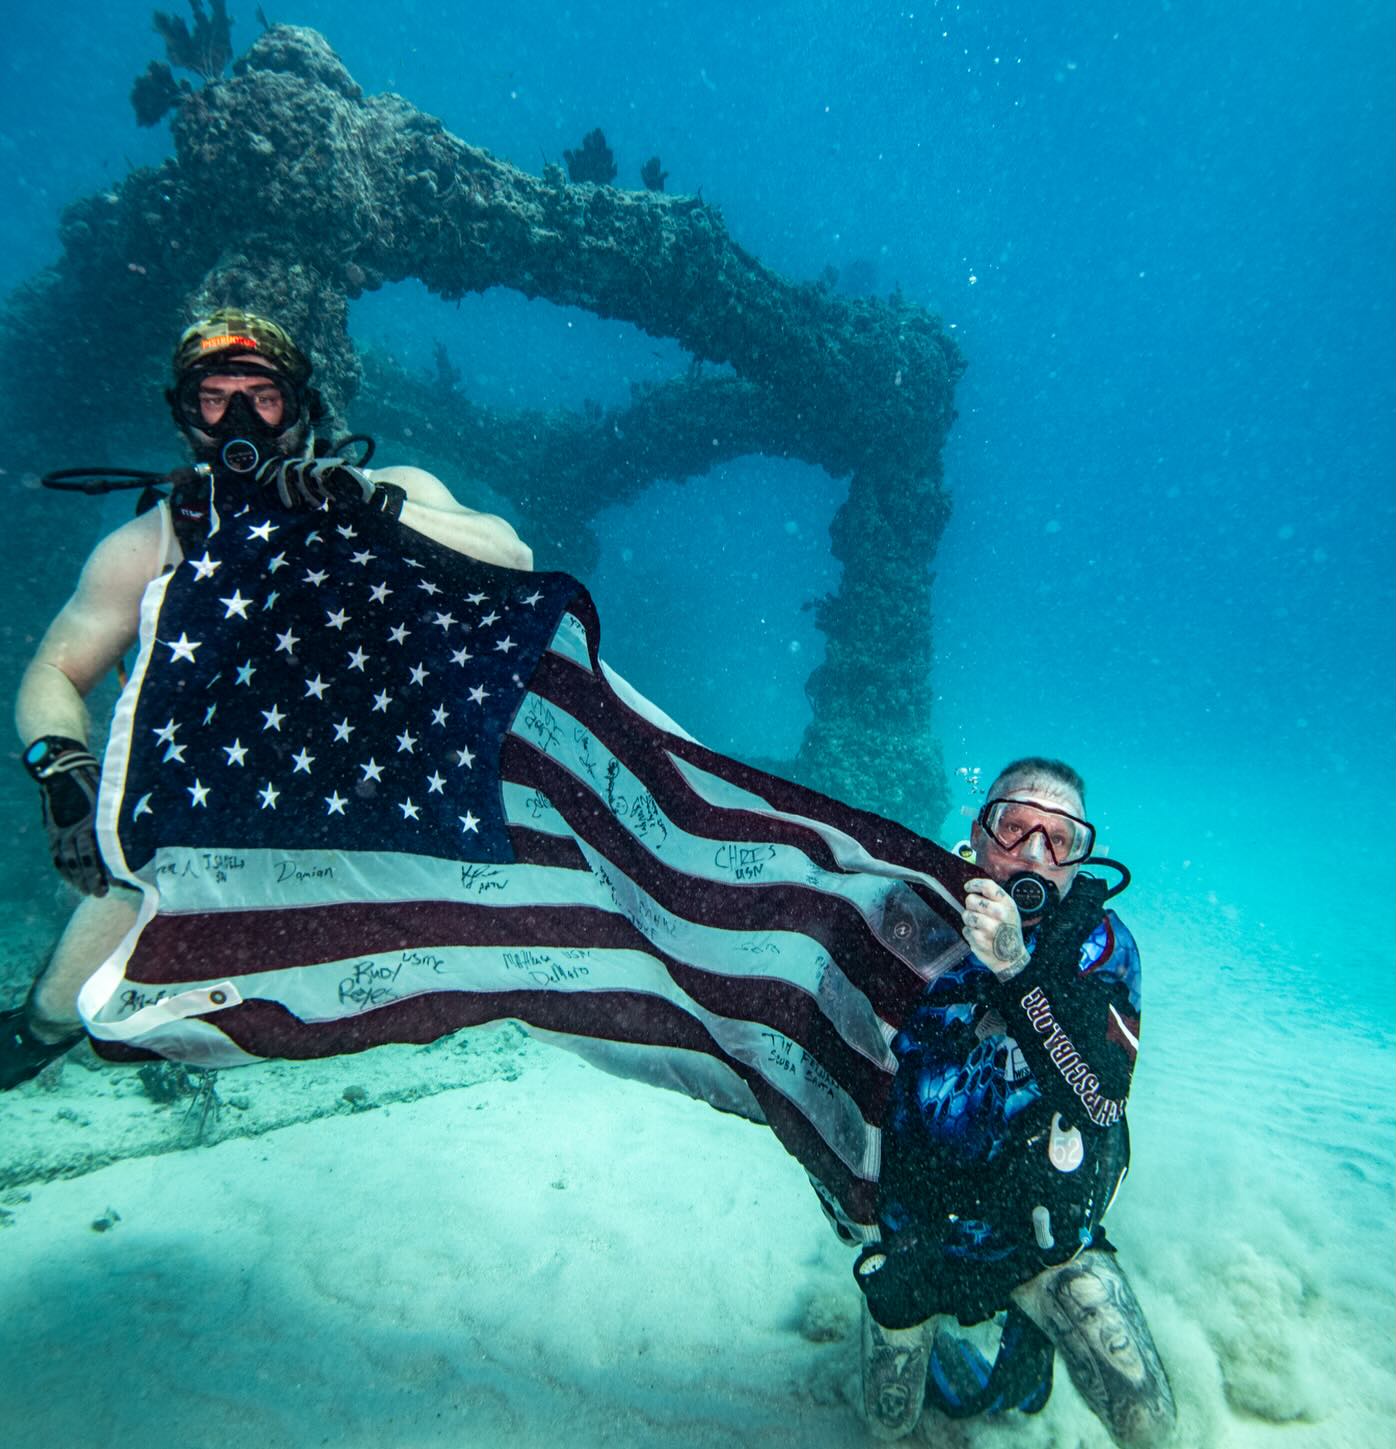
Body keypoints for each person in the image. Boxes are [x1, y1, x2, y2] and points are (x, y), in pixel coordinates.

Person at [1, 308, 531, 1089]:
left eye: (262, 395)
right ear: (186, 415)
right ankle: (34, 1034)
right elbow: (56, 669)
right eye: (215, 398)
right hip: (219, 792)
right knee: (58, 1004)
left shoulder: (389, 488)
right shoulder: (153, 541)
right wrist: (60, 766)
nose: (240, 416)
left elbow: (511, 556)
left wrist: (366, 504)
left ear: (302, 406)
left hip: (379, 771)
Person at [853, 757, 1176, 1445]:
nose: (1034, 852)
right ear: (978, 833)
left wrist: (1014, 970)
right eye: (1014, 827)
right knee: (887, 1422)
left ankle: (1028, 1335)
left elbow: (1099, 1100)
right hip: (919, 1233)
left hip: (1041, 1230)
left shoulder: (1102, 949)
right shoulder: (910, 918)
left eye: (1060, 838)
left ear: (1079, 856)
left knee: (1149, 1419)